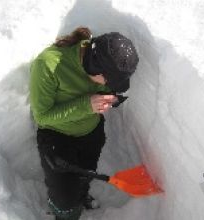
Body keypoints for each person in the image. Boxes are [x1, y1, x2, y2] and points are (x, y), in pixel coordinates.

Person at [29, 27, 139, 220]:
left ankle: (79, 196)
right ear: (94, 66)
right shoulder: (48, 65)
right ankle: (64, 212)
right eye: (109, 80)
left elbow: (106, 89)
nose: (110, 85)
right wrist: (87, 105)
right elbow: (42, 116)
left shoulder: (97, 64)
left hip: (91, 133)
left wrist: (111, 98)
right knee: (64, 199)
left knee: (83, 177)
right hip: (57, 138)